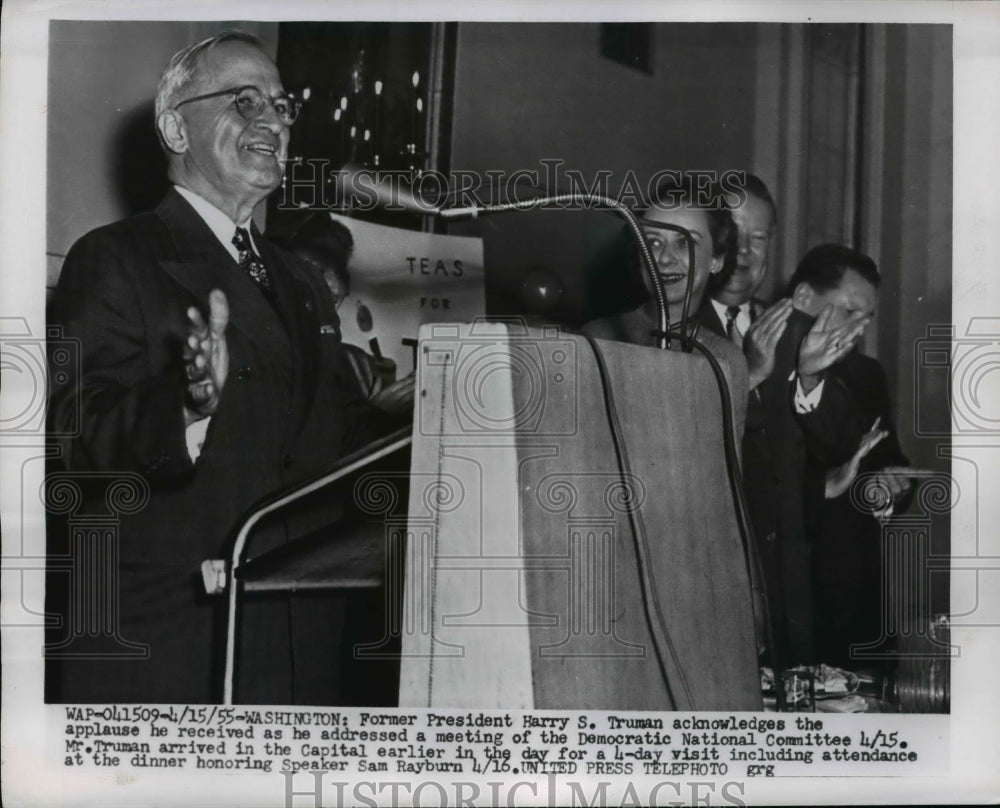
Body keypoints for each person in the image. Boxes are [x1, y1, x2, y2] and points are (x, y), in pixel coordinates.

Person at [46, 32, 385, 704]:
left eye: (282, 107)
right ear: (176, 126)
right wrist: (187, 403)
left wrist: (416, 412)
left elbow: (331, 442)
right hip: (174, 639)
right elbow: (69, 432)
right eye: (242, 102)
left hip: (302, 637)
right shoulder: (117, 257)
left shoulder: (302, 280)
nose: (271, 122)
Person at [787, 244, 920, 669]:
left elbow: (889, 463)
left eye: (866, 319)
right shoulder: (760, 366)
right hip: (789, 598)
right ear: (804, 299)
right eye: (848, 312)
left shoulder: (867, 375)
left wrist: (888, 491)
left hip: (856, 605)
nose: (858, 330)